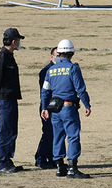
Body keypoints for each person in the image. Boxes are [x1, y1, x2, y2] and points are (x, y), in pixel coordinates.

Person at [41, 38, 92, 178]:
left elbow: (45, 91)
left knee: (57, 136)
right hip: (69, 108)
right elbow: (80, 89)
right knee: (73, 136)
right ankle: (72, 168)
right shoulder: (73, 68)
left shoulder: (50, 70)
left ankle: (59, 167)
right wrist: (87, 105)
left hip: (54, 109)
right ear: (71, 53)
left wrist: (44, 107)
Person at [0, 27, 25, 173]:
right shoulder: (2, 57)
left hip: (11, 99)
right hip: (3, 100)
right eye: (18, 40)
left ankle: (7, 159)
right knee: (4, 132)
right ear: (13, 41)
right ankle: (0, 163)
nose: (19, 43)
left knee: (11, 131)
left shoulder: (10, 56)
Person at [32, 46, 58, 169]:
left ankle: (52, 157)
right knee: (48, 133)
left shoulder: (61, 69)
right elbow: (45, 92)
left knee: (55, 133)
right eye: (57, 55)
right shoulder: (45, 71)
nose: (59, 57)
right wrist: (45, 108)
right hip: (47, 106)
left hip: (57, 107)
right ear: (51, 57)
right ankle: (40, 158)